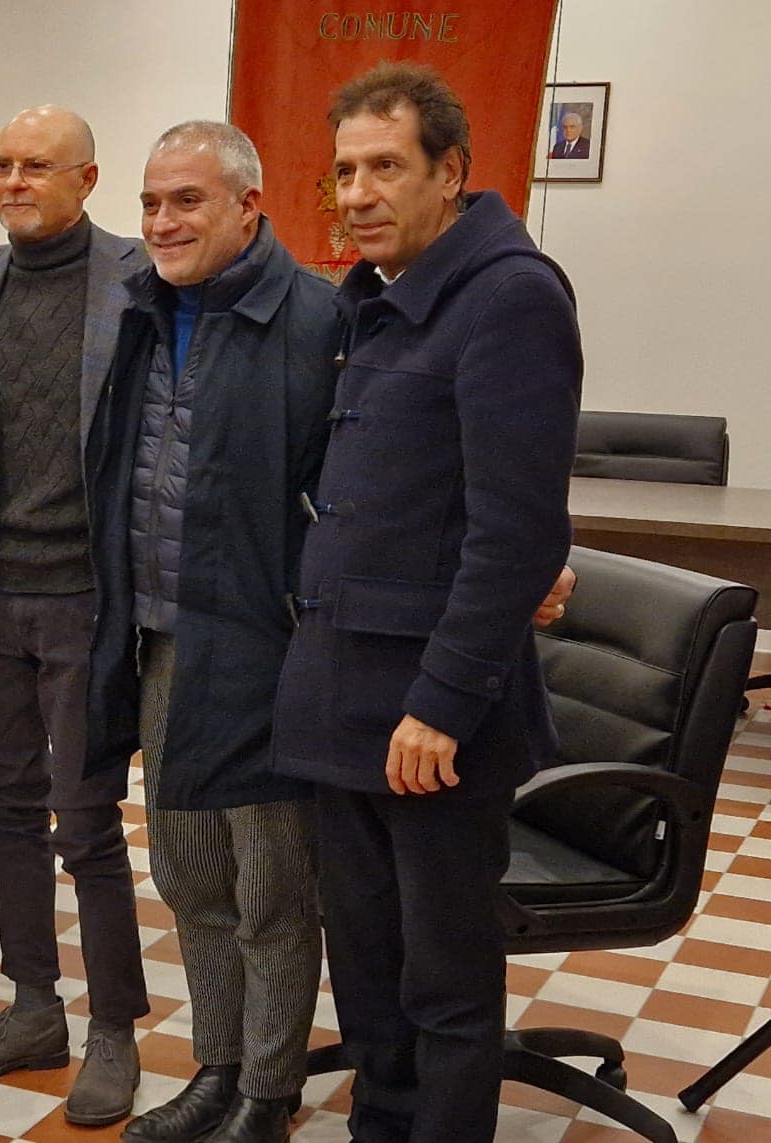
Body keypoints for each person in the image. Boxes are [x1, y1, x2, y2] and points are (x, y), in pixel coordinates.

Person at [271, 62, 582, 1143]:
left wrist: (442, 704)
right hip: (343, 699)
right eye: (344, 170)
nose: (356, 192)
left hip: (430, 720)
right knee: (365, 971)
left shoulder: (507, 296)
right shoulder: (379, 298)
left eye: (385, 167)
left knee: (444, 984)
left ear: (450, 172)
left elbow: (517, 534)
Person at [85, 120, 338, 1143]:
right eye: (149, 202)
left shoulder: (318, 320)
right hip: (153, 640)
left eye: (184, 200)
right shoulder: (143, 310)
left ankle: (269, 1094)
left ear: (248, 206)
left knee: (270, 891)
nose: (160, 221)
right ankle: (217, 1068)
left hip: (264, 655)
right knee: (188, 877)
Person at [0, 105, 149, 1127]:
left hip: (87, 596)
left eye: (36, 166)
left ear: (87, 179)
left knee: (86, 820)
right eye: (1, 164)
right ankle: (29, 1008)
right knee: (7, 807)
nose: (14, 181)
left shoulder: (142, 281)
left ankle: (113, 1029)